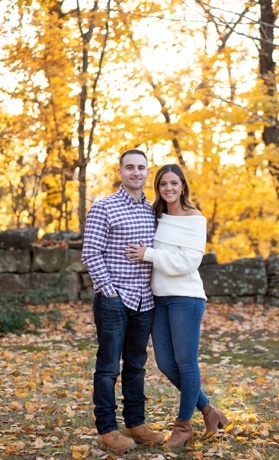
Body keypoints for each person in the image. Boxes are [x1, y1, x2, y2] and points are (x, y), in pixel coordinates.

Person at [125, 164, 228, 448]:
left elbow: (187, 263)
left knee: (186, 363)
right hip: (159, 298)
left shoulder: (195, 219)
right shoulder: (155, 216)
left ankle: (183, 427)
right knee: (166, 364)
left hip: (186, 298)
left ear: (183, 185)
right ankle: (209, 411)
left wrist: (148, 254)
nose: (168, 188)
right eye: (162, 184)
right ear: (157, 188)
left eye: (174, 183)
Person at [81, 149, 165, 453]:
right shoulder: (103, 207)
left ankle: (136, 423)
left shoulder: (152, 211)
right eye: (130, 167)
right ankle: (107, 429)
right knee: (107, 367)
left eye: (141, 168)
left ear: (146, 172)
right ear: (120, 172)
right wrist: (109, 291)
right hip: (114, 299)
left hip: (145, 300)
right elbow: (91, 253)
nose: (136, 172)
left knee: (136, 365)